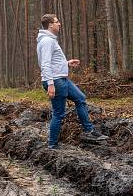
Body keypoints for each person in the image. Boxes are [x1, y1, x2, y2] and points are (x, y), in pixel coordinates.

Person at [36, 14, 108, 150]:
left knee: (80, 98)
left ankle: (89, 131)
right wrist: (50, 84)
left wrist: (67, 63)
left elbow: (53, 61)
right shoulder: (47, 41)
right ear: (50, 25)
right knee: (58, 113)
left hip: (61, 79)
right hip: (56, 82)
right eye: (57, 22)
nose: (59, 24)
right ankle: (52, 144)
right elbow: (45, 64)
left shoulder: (50, 40)